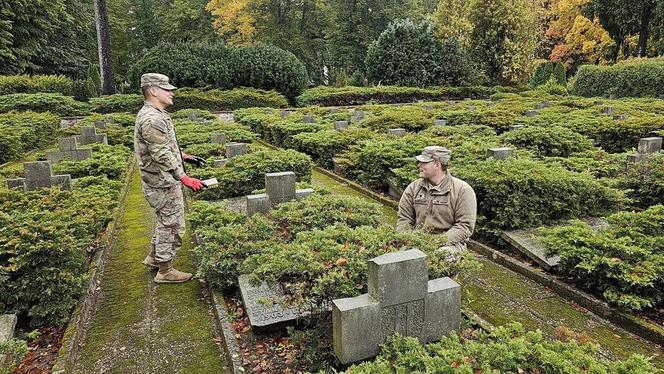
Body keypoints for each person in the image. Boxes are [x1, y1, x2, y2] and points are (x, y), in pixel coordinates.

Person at [134, 73, 207, 284]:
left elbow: (161, 146)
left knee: (165, 220)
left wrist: (184, 157)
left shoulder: (154, 114)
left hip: (160, 178)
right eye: (167, 89)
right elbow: (160, 154)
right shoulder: (153, 118)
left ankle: (154, 258)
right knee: (172, 224)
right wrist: (183, 177)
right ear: (154, 91)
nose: (172, 92)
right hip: (162, 182)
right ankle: (165, 271)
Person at [396, 146, 477, 251]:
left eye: (424, 162)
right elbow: (404, 218)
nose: (419, 165)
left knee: (443, 255)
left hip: (449, 244)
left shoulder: (463, 190)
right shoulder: (413, 187)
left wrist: (436, 242)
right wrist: (405, 240)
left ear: (437, 164)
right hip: (417, 240)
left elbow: (464, 227)